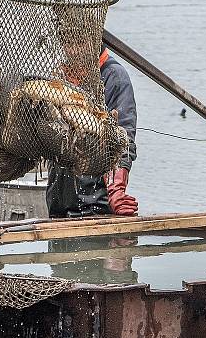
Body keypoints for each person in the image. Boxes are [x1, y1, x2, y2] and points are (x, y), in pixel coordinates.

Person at [46, 36, 139, 218]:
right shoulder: (58, 77)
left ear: (95, 40)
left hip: (98, 207)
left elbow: (124, 138)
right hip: (59, 205)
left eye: (80, 42)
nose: (73, 50)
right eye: (68, 42)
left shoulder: (113, 76)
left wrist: (116, 190)